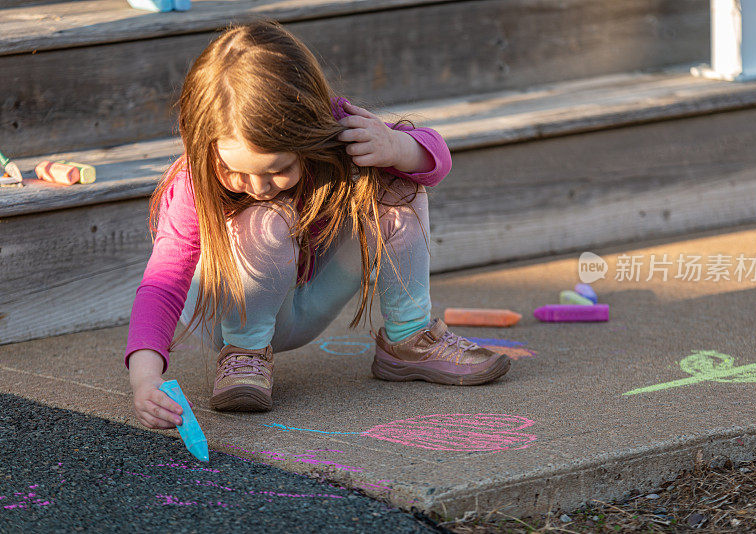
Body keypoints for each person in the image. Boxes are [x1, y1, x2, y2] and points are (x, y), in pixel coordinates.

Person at [125, 20, 511, 430]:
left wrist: (396, 146)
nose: (257, 186)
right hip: (227, 317)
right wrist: (145, 379)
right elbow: (163, 283)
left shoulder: (337, 135)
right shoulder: (195, 179)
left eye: (278, 169)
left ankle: (409, 338)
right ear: (206, 145)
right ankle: (244, 356)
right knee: (264, 217)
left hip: (303, 304)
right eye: (234, 171)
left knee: (399, 187)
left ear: (308, 137)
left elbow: (436, 164)